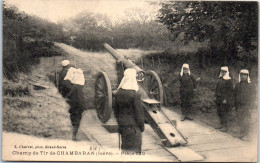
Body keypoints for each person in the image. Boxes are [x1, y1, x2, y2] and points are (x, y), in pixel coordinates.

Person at [114, 68, 144, 153]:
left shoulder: (118, 93)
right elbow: (139, 114)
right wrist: (141, 128)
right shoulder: (135, 95)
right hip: (134, 129)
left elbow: (116, 112)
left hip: (123, 127)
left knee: (125, 150)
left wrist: (120, 123)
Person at [64, 66, 86, 141]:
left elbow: (70, 95)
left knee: (73, 118)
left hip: (73, 105)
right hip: (78, 106)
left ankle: (73, 134)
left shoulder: (74, 86)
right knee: (77, 120)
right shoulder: (79, 87)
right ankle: (74, 134)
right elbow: (81, 98)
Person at [234, 69, 253, 141]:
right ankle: (241, 133)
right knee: (240, 118)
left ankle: (245, 134)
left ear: (247, 76)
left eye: (245, 75)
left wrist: (250, 105)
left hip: (246, 105)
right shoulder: (238, 84)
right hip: (238, 104)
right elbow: (235, 94)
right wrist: (235, 103)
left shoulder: (250, 85)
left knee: (246, 120)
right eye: (242, 75)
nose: (243, 76)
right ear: (240, 75)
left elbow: (252, 95)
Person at [215, 66, 233, 132]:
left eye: (224, 72)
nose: (223, 73)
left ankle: (225, 127)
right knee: (219, 112)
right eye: (222, 71)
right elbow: (217, 88)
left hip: (224, 99)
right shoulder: (220, 79)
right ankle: (221, 125)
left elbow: (230, 91)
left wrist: (226, 99)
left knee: (224, 112)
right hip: (219, 98)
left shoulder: (229, 80)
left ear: (227, 72)